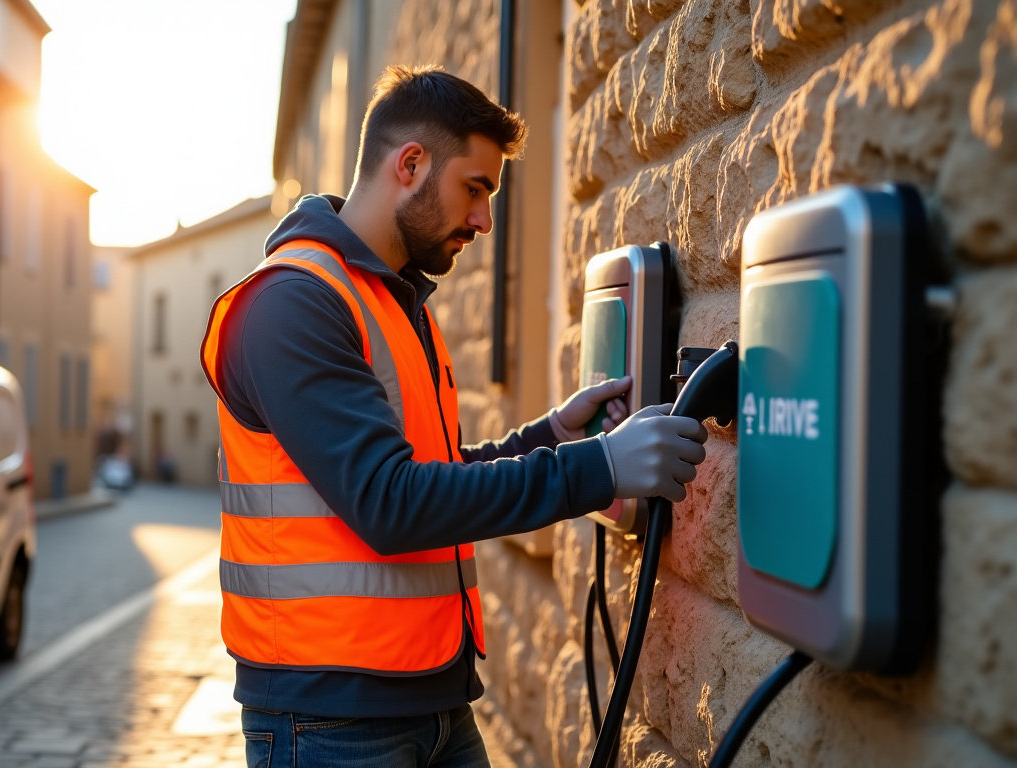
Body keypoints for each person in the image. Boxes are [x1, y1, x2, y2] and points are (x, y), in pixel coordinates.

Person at [199, 65, 708, 767]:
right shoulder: (294, 304)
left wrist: (552, 434)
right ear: (409, 164)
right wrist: (601, 465)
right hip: (328, 724)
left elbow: (431, 476)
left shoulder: (390, 301)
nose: (484, 220)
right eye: (476, 188)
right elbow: (391, 503)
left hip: (432, 701)